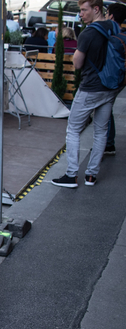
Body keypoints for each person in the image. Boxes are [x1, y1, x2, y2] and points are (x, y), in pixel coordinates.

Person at [52, 0, 122, 188]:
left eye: (84, 10)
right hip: (111, 87)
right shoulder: (114, 26)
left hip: (91, 87)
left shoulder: (89, 33)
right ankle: (91, 176)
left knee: (73, 129)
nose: (80, 14)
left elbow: (77, 63)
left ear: (96, 9)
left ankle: (71, 175)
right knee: (101, 132)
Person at [103, 2, 126, 155]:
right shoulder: (122, 34)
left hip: (115, 78)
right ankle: (109, 143)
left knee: (106, 108)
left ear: (111, 15)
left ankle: (109, 144)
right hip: (121, 78)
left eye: (106, 13)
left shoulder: (112, 36)